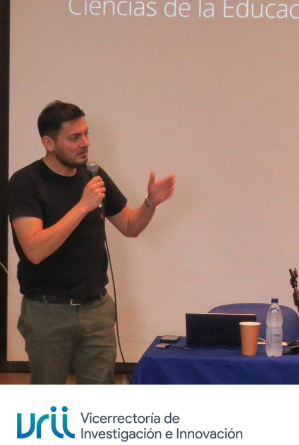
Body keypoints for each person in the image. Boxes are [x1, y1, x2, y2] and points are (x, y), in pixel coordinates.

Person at [7, 101, 176, 384]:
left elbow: (130, 226)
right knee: (47, 398)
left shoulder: (93, 174)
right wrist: (82, 206)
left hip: (96, 309)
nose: (85, 143)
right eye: (74, 137)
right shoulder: (26, 182)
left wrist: (150, 203)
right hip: (48, 312)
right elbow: (34, 250)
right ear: (48, 143)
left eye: (86, 134)